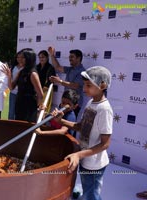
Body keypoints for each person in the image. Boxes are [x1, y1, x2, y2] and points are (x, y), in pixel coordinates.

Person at [51, 66, 113, 200]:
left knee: (92, 195)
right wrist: (61, 121)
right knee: (88, 191)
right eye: (84, 85)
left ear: (102, 85)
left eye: (88, 85)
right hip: (85, 159)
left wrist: (78, 154)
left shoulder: (104, 110)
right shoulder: (91, 102)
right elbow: (81, 127)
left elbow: (105, 144)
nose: (84, 89)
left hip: (95, 165)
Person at [2, 48, 44, 122]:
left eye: (23, 57)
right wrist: (9, 76)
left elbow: (40, 94)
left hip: (29, 105)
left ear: (29, 58)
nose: (20, 59)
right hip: (19, 102)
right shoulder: (21, 71)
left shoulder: (33, 74)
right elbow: (11, 87)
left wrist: (38, 108)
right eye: (19, 57)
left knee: (27, 126)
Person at [48, 46, 85, 117]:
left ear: (78, 58)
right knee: (59, 121)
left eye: (72, 57)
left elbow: (75, 85)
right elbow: (57, 67)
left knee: (67, 123)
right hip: (65, 102)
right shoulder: (70, 69)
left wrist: (60, 81)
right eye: (69, 57)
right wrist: (52, 55)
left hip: (74, 104)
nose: (69, 59)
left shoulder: (82, 71)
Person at [8, 50, 24, 120]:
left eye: (21, 57)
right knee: (11, 112)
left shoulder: (27, 68)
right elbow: (10, 79)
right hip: (13, 92)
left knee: (20, 112)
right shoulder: (13, 67)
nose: (19, 59)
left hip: (22, 94)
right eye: (18, 57)